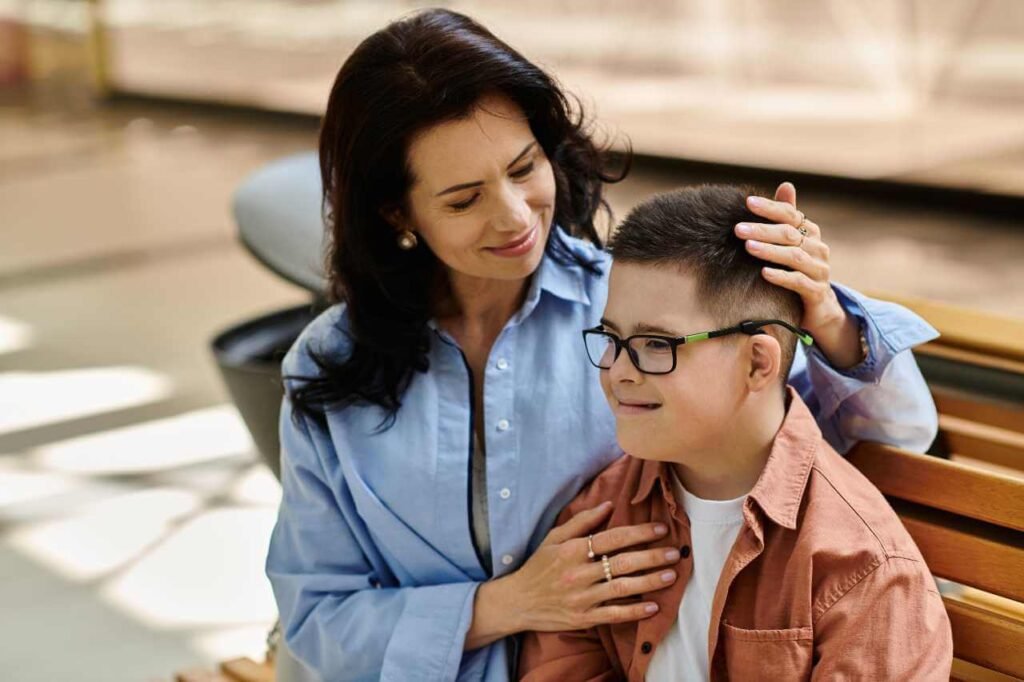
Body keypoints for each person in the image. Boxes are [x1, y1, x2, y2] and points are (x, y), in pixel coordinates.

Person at [265, 9, 939, 681]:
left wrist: (822, 312)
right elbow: (314, 616)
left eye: (524, 168)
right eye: (465, 199)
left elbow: (892, 440)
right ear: (397, 214)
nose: (513, 215)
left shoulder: (631, 313)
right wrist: (503, 605)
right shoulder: (330, 364)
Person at [518, 185, 953, 681]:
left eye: (656, 344)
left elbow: (908, 428)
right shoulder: (601, 512)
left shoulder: (863, 566)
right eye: (612, 339)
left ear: (758, 362)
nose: (619, 371)